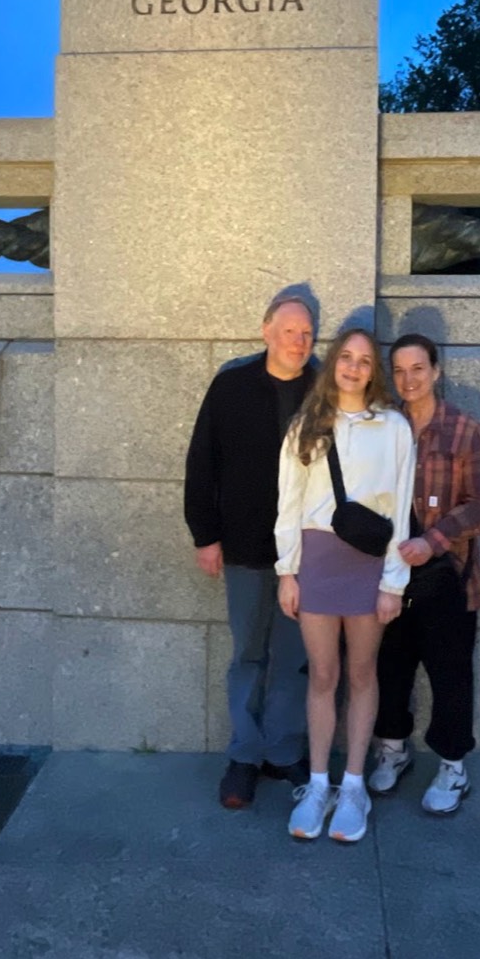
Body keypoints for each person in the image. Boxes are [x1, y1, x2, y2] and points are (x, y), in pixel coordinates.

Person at [275, 328, 415, 842]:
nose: (353, 368)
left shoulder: (393, 427)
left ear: (373, 371)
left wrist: (393, 583)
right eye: (346, 358)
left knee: (361, 673)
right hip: (316, 560)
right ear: (333, 363)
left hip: (368, 565)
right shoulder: (306, 427)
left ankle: (353, 785)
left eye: (364, 361)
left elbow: (401, 508)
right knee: (322, 675)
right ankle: (318, 785)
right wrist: (287, 571)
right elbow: (288, 504)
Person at [184, 292, 317, 809]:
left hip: (307, 554)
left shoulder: (322, 390)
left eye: (307, 333)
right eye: (289, 331)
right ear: (266, 332)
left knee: (292, 657)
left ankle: (282, 751)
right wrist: (205, 535)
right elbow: (202, 463)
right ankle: (243, 756)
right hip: (242, 546)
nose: (299, 342)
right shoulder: (231, 386)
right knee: (247, 655)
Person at [369, 332, 480, 814]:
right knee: (391, 666)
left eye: (418, 368)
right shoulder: (384, 426)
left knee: (450, 672)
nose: (409, 379)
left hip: (448, 573)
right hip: (393, 571)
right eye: (399, 371)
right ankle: (394, 749)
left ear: (436, 371)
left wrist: (433, 540)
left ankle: (452, 765)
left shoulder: (464, 430)